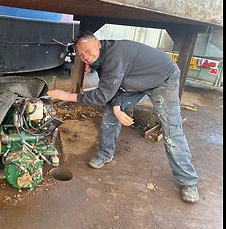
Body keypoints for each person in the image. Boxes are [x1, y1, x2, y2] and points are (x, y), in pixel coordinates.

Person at [47, 31, 199, 203]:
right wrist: (118, 108)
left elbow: (102, 95)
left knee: (172, 131)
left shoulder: (115, 56)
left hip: (162, 79)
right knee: (112, 113)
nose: (86, 57)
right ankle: (105, 155)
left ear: (98, 43)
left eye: (88, 51)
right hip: (133, 81)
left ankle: (188, 181)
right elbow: (113, 85)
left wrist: (67, 96)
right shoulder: (98, 58)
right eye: (81, 54)